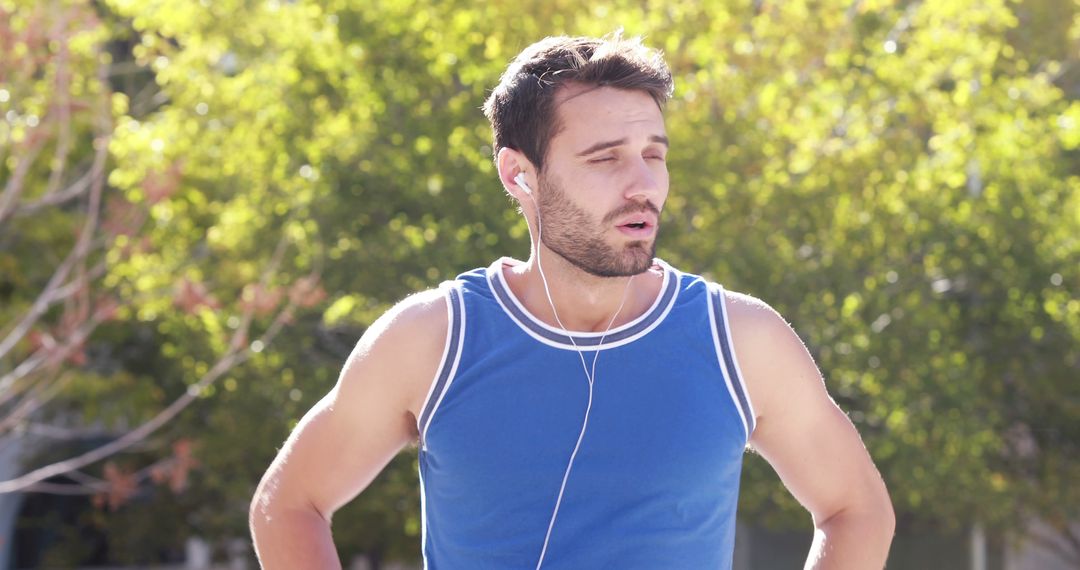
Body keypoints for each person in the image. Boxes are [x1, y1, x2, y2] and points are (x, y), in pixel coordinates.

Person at [250, 32, 895, 569]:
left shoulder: (742, 340)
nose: (642, 185)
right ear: (519, 175)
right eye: (605, 159)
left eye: (653, 154)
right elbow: (290, 503)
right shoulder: (433, 338)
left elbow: (856, 511)